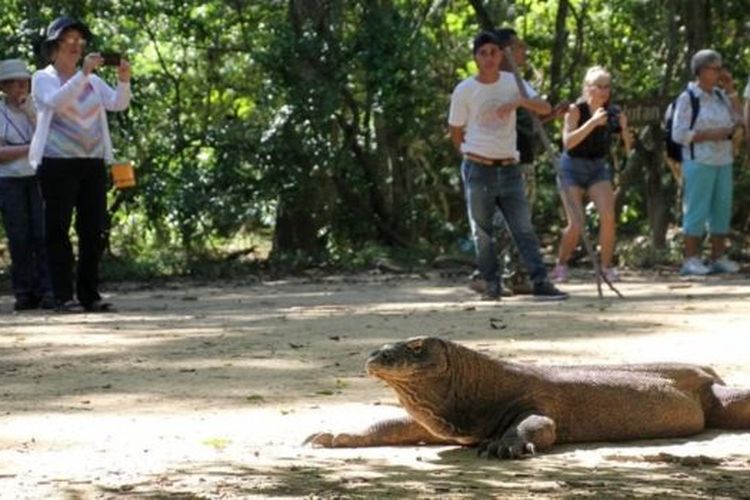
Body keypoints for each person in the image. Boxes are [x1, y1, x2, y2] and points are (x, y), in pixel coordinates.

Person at [448, 30, 567, 301]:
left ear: (501, 55)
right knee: (483, 231)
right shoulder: (465, 90)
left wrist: (520, 100)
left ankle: (540, 282)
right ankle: (491, 284)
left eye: (494, 52)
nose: (489, 58)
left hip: (510, 167)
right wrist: (468, 153)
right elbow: (455, 130)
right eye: (483, 53)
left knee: (523, 227)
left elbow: (545, 107)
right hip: (479, 167)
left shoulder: (513, 81)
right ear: (476, 58)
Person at [30, 16, 131, 312]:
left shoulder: (93, 80)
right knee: (57, 229)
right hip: (56, 163)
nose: (75, 46)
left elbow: (117, 103)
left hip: (92, 163)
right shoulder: (42, 78)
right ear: (53, 47)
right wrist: (83, 74)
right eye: (68, 40)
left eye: (79, 40)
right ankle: (63, 295)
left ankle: (89, 293)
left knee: (94, 229)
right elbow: (55, 102)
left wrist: (123, 80)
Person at [552, 66, 632, 283]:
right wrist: (593, 122)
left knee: (608, 216)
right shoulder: (576, 110)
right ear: (588, 88)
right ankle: (560, 264)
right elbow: (568, 143)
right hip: (571, 167)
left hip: (597, 167)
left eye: (607, 87)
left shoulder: (612, 112)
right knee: (576, 223)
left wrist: (624, 129)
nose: (604, 92)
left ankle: (605, 267)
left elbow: (628, 147)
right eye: (599, 87)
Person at [671, 50, 742, 276]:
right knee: (697, 209)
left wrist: (731, 90)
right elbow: (678, 134)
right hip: (699, 160)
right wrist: (711, 134)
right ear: (701, 71)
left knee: (721, 209)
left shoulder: (721, 96)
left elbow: (740, 120)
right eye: (715, 68)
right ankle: (690, 259)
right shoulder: (688, 98)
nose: (719, 72)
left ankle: (717, 257)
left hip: (723, 160)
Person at [0, 59, 53, 311]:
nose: (21, 87)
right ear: (5, 86)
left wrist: (30, 113)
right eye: (15, 83)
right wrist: (29, 148)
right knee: (18, 236)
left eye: (24, 82)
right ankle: (23, 291)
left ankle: (48, 290)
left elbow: (46, 138)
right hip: (9, 180)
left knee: (42, 235)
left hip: (36, 177)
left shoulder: (37, 108)